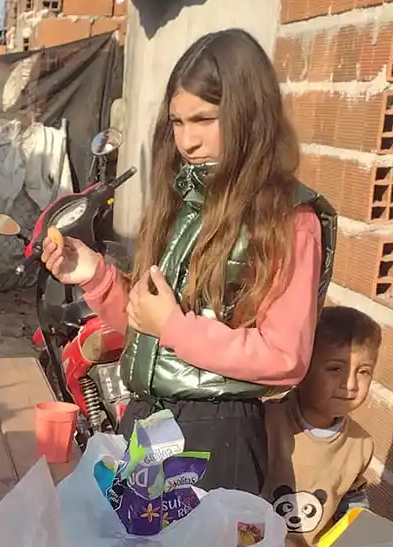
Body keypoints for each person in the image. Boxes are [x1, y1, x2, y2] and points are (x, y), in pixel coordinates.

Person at [41, 29, 336, 495]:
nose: (186, 140)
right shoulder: (183, 200)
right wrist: (95, 276)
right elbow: (149, 326)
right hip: (151, 424)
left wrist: (173, 327)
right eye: (177, 122)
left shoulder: (288, 218)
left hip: (216, 435)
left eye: (204, 120)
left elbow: (285, 357)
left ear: (249, 115)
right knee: (118, 543)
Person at [265, 303, 379, 547]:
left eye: (363, 372)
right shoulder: (266, 422)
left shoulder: (361, 444)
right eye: (335, 369)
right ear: (303, 368)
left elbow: (351, 504)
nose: (350, 384)